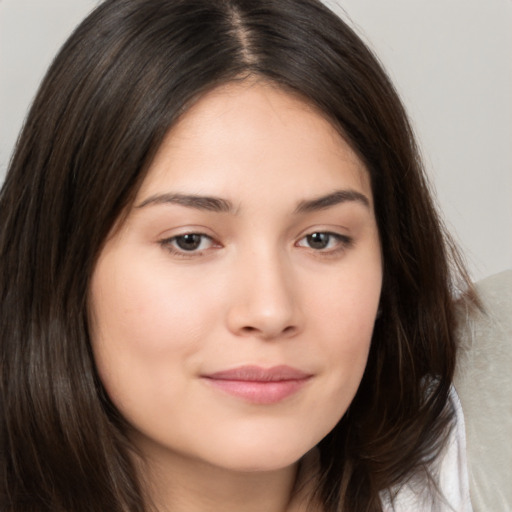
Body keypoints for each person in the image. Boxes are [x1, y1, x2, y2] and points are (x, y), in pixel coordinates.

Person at [0, 0, 477, 511]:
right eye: (190, 240)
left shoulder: (477, 461)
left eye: (321, 239)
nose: (270, 312)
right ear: (64, 263)